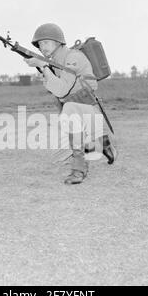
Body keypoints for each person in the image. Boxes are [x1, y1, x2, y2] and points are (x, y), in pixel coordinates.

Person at [24, 23, 117, 185]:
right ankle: (100, 143)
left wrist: (42, 66)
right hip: (78, 115)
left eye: (45, 42)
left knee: (69, 108)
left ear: (58, 41)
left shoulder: (73, 57)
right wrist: (44, 70)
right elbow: (58, 94)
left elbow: (61, 90)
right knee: (56, 157)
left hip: (88, 110)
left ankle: (79, 168)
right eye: (39, 44)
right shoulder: (54, 63)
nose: (42, 47)